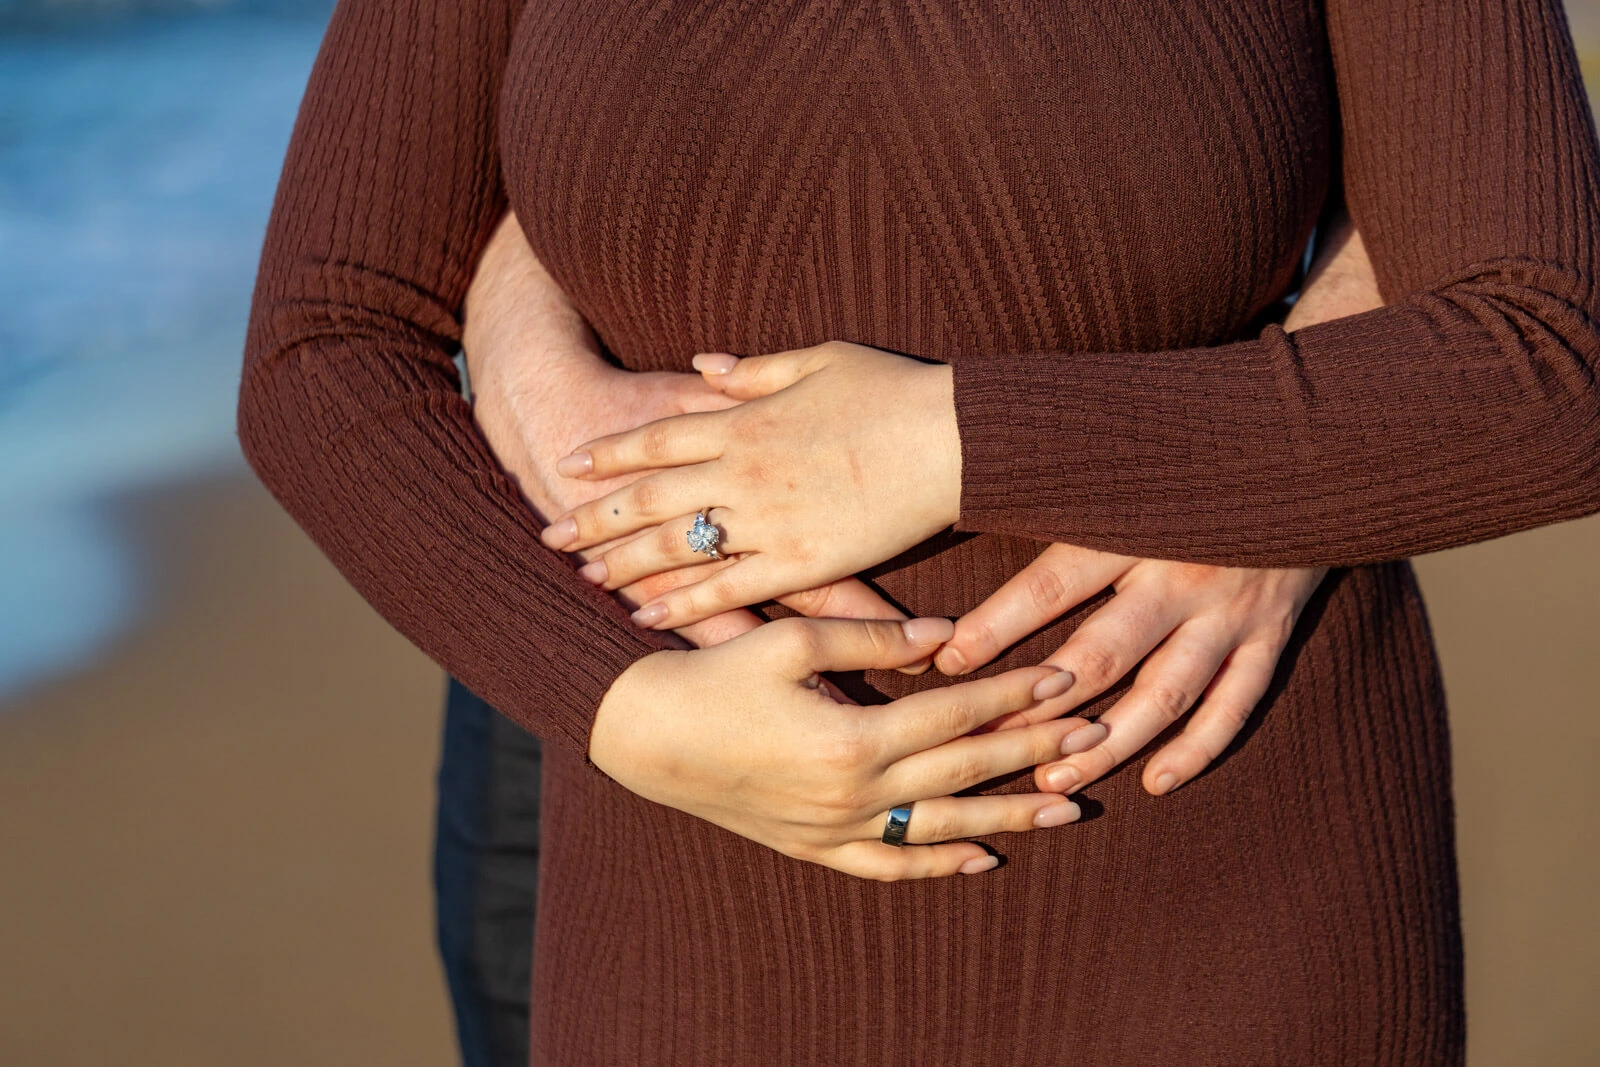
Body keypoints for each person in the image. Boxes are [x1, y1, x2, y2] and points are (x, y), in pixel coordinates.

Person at [239, 0, 1600, 1061]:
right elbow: (330, 338)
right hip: (685, 926)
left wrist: (944, 440)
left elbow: (1548, 357)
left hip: (1213, 900)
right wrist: (629, 704)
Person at [434, 204, 1384, 1067]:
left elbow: (1479, 223)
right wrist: (525, 382)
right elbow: (365, 270)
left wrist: (1266, 476)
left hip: (1212, 864)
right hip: (611, 771)